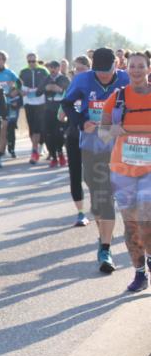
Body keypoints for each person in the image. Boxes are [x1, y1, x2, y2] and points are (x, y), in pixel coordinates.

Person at [63, 47, 131, 274]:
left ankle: (106, 248)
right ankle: (103, 238)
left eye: (107, 71)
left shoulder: (125, 78)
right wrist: (81, 122)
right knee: (99, 198)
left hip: (119, 148)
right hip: (91, 146)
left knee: (110, 197)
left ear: (117, 65)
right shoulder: (82, 80)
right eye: (99, 72)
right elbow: (66, 104)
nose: (103, 76)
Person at [99, 51, 151, 292]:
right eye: (133, 66)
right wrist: (113, 130)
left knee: (146, 219)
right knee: (131, 224)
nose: (137, 70)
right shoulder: (117, 97)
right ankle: (140, 272)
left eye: (141, 66)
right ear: (126, 68)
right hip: (122, 170)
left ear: (148, 69)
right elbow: (101, 132)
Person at [64, 56, 92, 226]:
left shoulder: (95, 88)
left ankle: (100, 205)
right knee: (75, 174)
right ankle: (81, 213)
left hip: (93, 138)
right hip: (74, 135)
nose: (77, 72)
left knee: (93, 176)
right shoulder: (71, 89)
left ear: (89, 69)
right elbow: (61, 113)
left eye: (81, 69)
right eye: (75, 69)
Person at [19, 52, 50, 164]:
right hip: (28, 102)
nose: (32, 63)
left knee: (38, 127)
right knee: (31, 128)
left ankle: (35, 150)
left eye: (33, 61)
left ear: (37, 60)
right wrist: (20, 92)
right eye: (29, 61)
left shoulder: (43, 70)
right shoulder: (23, 71)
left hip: (40, 102)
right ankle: (35, 147)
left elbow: (49, 82)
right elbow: (18, 85)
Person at [0, 51, 21, 168]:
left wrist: (15, 91)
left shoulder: (9, 73)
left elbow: (20, 84)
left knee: (4, 129)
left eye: (0, 59)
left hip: (7, 104)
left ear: (4, 60)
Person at [40, 59, 71, 167]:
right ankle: (53, 156)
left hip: (60, 110)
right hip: (48, 110)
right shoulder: (46, 79)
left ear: (58, 68)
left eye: (54, 67)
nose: (52, 70)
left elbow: (69, 90)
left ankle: (60, 153)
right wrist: (46, 88)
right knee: (48, 134)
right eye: (51, 68)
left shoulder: (64, 78)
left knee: (59, 134)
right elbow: (38, 92)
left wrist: (59, 89)